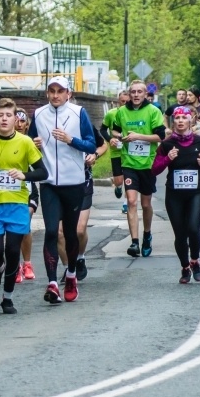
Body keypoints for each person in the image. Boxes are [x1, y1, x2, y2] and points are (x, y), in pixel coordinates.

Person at [0, 97, 47, 313]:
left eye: (8, 116)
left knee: (13, 251)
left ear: (15, 119)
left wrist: (24, 174)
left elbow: (43, 172)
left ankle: (8, 298)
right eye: (1, 115)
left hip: (17, 204)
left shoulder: (25, 142)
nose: (4, 119)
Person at [29, 76, 96, 303]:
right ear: (47, 93)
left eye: (60, 91)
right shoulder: (38, 114)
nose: (56, 95)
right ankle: (52, 283)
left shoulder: (79, 113)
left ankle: (71, 275)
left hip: (74, 182)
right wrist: (33, 144)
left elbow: (91, 144)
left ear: (68, 93)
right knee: (50, 232)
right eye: (52, 91)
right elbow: (28, 142)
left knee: (70, 233)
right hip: (49, 183)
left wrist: (71, 140)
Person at [152, 106, 200, 283]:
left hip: (196, 192)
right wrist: (167, 158)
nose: (180, 121)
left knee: (193, 228)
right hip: (175, 194)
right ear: (173, 122)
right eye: (176, 118)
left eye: (183, 118)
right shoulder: (167, 144)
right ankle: (185, 267)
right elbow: (154, 169)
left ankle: (195, 261)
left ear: (190, 120)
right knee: (180, 234)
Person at [113, 79, 166, 258]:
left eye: (139, 92)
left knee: (145, 204)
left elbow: (160, 136)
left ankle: (147, 234)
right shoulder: (121, 111)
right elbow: (114, 130)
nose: (136, 95)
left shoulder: (153, 111)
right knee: (131, 202)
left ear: (145, 94)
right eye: (133, 92)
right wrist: (119, 137)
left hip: (147, 164)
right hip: (128, 163)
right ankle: (134, 242)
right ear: (129, 94)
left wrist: (138, 136)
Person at [58, 126, 108, 280]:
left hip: (83, 183)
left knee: (79, 230)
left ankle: (80, 257)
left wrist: (95, 155)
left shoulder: (82, 122)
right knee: (59, 233)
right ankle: (68, 270)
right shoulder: (49, 121)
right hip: (58, 184)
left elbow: (103, 144)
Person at [14, 107, 38, 284]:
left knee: (24, 222)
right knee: (13, 228)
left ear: (27, 123)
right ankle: (15, 266)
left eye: (22, 121)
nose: (19, 124)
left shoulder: (31, 142)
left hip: (29, 189)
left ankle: (27, 263)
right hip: (9, 190)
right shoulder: (3, 140)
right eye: (16, 120)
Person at [102, 91, 130, 213]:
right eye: (122, 101)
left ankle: (126, 203)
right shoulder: (111, 114)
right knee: (119, 180)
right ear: (118, 101)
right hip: (116, 151)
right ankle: (118, 187)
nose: (124, 104)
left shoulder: (133, 114)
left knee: (130, 179)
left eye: (127, 102)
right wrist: (110, 139)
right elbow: (103, 130)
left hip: (130, 152)